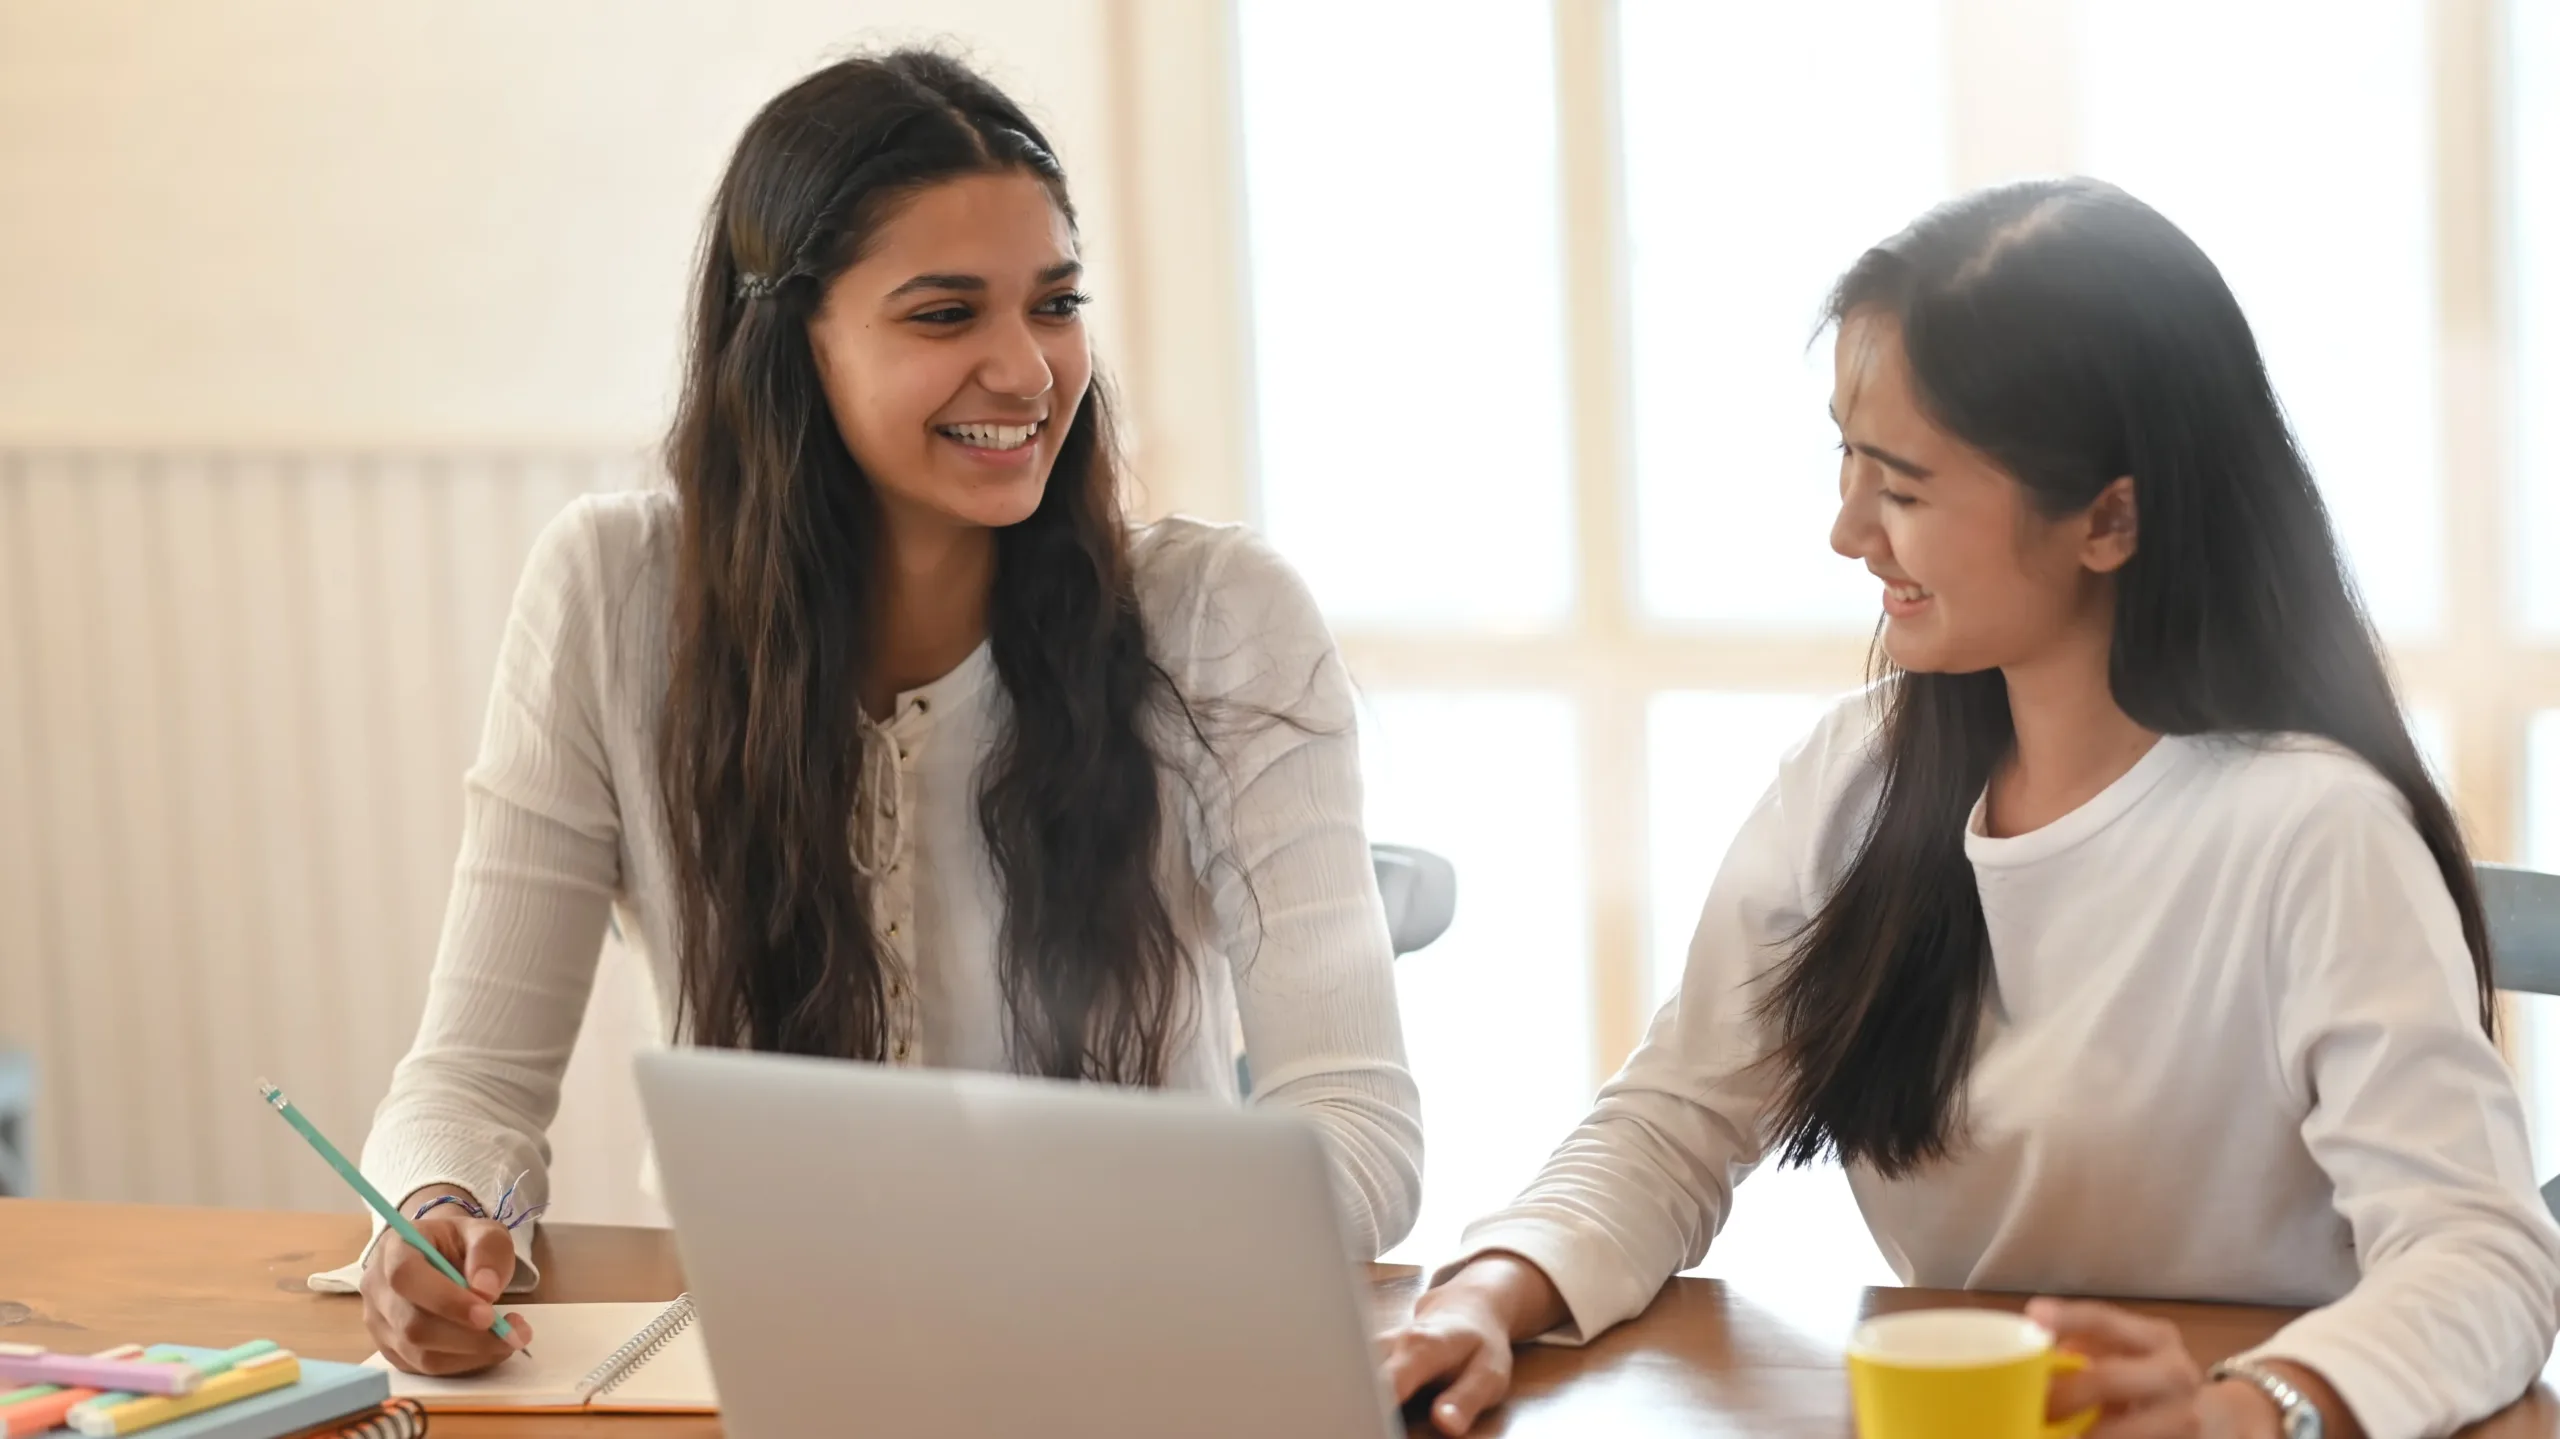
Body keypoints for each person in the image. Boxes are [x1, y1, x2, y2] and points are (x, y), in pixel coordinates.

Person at [1381, 178, 2560, 1439]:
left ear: (2109, 516)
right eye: (1844, 454)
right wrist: (1483, 1295)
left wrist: (2251, 1409)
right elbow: (1678, 1117)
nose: (1845, 531)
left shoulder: (2314, 831)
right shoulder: (1858, 780)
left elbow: (2479, 1253)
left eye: (1900, 483)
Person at [348, 49, 1423, 1375]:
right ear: (791, 341)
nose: (1026, 370)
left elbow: (1359, 1131)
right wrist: (444, 1213)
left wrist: (1141, 1256)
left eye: (1056, 302)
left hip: (1136, 1360)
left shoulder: (1220, 615)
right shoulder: (610, 594)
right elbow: (467, 1081)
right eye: (944, 314)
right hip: (766, 1367)